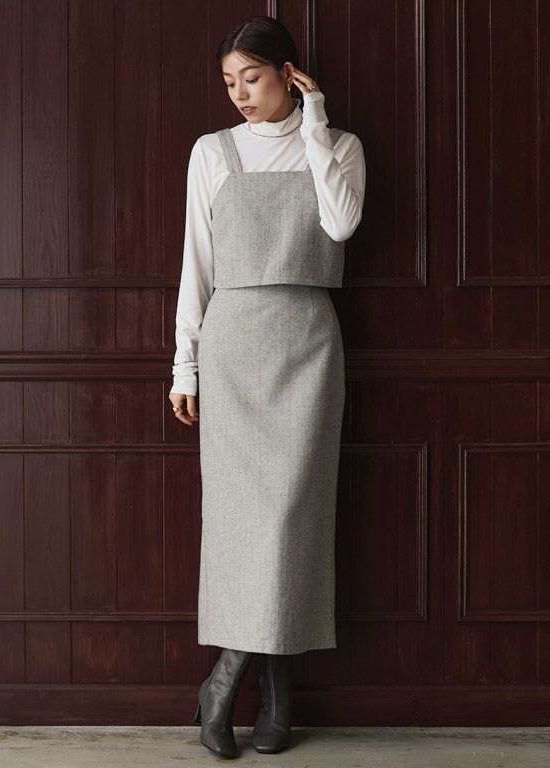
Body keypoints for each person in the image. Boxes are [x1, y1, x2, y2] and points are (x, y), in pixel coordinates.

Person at [168, 15, 366, 760]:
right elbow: (195, 263)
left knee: (293, 524)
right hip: (233, 346)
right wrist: (184, 365)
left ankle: (227, 681)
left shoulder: (339, 145)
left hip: (308, 346)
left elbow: (340, 225)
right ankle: (273, 695)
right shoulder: (211, 152)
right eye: (229, 82)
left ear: (289, 73)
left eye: (251, 77)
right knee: (241, 527)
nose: (239, 94)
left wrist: (315, 123)